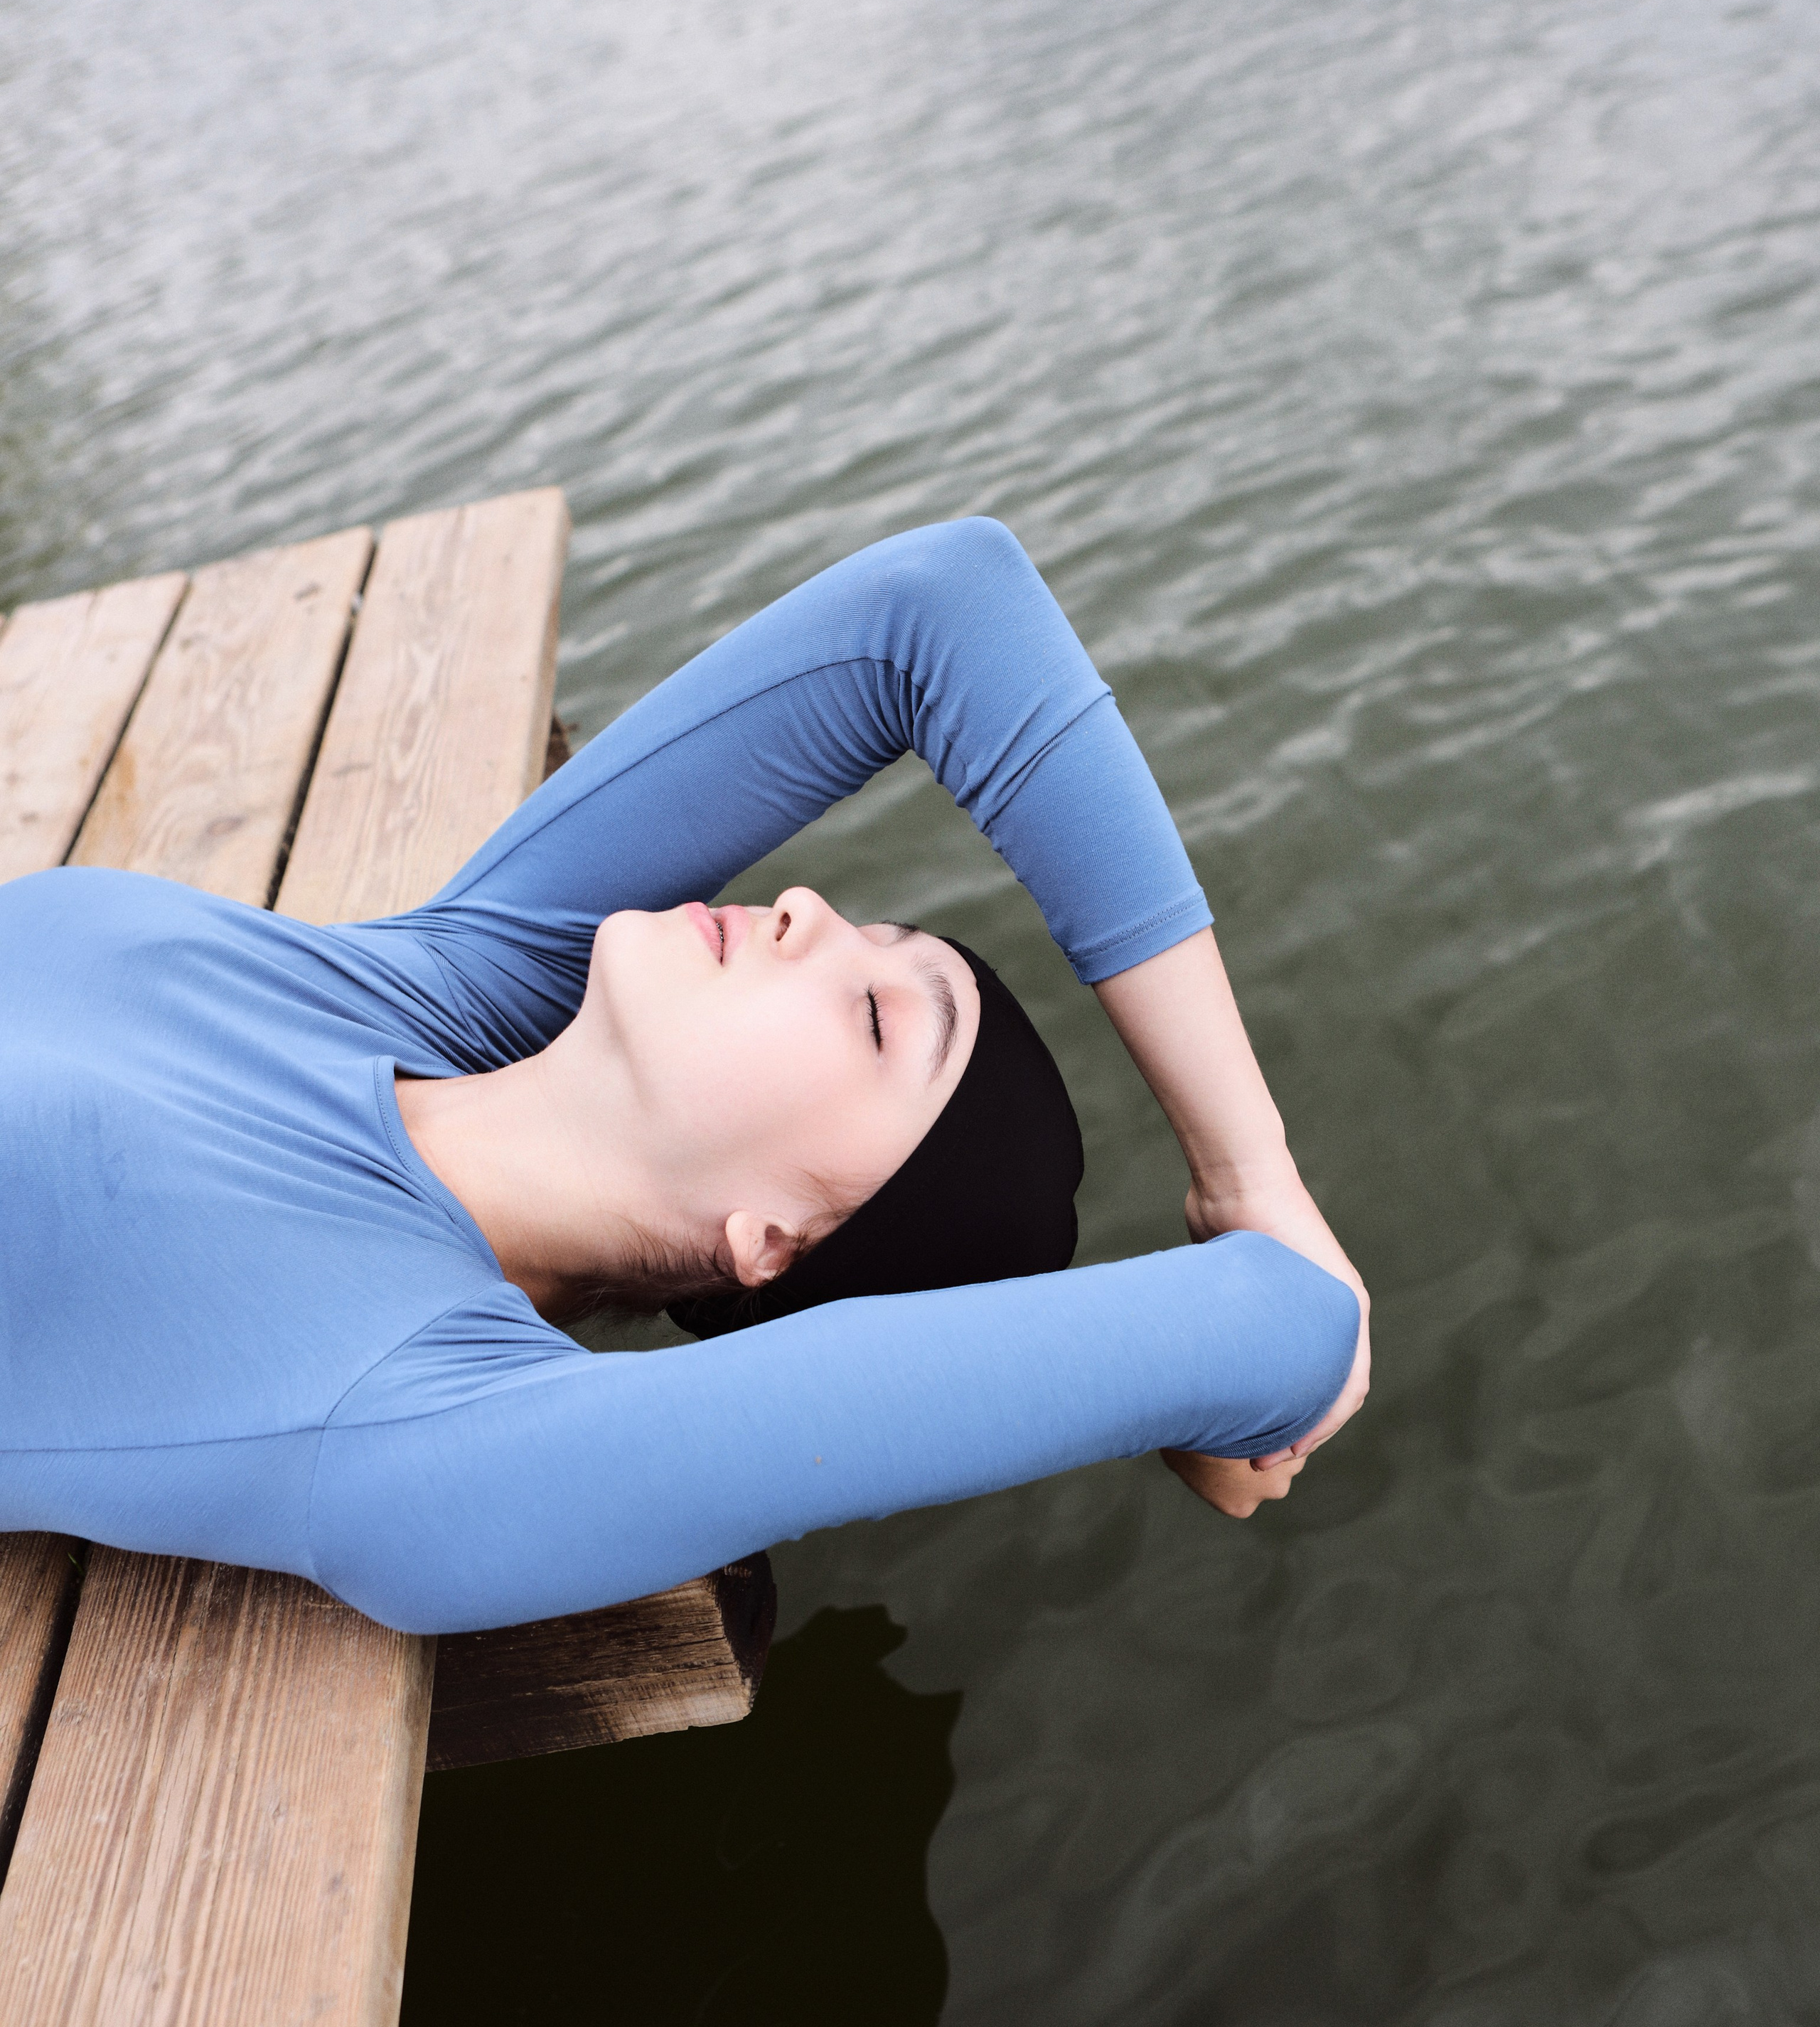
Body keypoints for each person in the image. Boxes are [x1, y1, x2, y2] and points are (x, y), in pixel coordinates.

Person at [1, 519, 1368, 1635]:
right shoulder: (437, 991)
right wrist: (1248, 1170)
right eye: (873, 935)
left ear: (769, 1242)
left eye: (883, 1020)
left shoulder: (406, 1423)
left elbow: (1278, 1325)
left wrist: (1255, 1280)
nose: (811, 911)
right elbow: (939, 607)